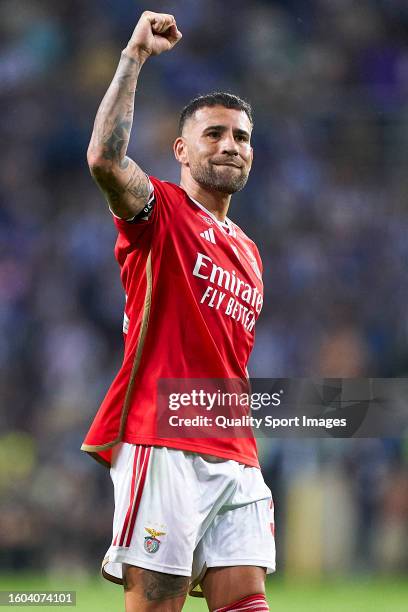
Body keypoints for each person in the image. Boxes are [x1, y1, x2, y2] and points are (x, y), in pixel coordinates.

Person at [82, 10, 275, 612]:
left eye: (240, 137)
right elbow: (106, 161)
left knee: (246, 602)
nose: (229, 146)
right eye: (214, 134)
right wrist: (133, 59)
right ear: (181, 149)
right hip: (163, 439)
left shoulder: (249, 251)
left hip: (236, 448)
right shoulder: (158, 213)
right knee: (159, 602)